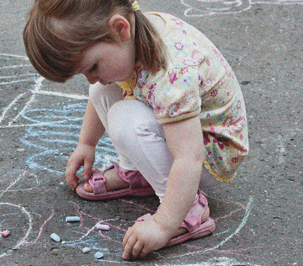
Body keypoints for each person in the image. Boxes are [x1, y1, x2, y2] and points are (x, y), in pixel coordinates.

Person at [23, 0, 249, 260]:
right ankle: (136, 173)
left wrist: (163, 225)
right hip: (187, 134)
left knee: (124, 119)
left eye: (92, 67)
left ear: (120, 29)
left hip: (210, 152)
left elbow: (189, 157)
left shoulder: (172, 72)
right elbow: (99, 90)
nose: (91, 76)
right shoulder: (133, 34)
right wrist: (86, 144)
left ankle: (189, 211)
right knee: (103, 88)